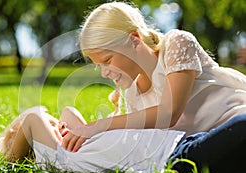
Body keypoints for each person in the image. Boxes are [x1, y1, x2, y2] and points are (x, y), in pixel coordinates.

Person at [61, 1, 246, 153]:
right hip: (211, 148)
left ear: (134, 39)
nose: (104, 73)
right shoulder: (132, 95)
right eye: (98, 65)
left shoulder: (176, 44)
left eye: (107, 60)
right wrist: (77, 133)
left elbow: (169, 113)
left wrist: (96, 126)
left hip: (237, 124)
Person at [0, 106, 246, 173]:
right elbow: (32, 117)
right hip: (177, 161)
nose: (59, 125)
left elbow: (70, 113)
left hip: (185, 142)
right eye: (52, 126)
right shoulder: (60, 158)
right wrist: (37, 120)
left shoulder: (80, 145)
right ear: (32, 146)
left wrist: (66, 126)